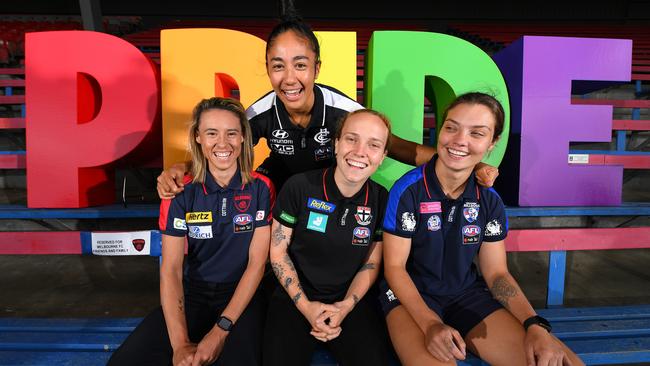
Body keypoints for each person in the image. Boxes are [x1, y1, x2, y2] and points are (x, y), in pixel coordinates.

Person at [156, 5, 498, 198]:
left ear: (316, 68)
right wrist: (178, 170)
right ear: (268, 70)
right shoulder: (258, 113)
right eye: (278, 66)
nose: (290, 78)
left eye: (300, 65)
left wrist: (465, 165)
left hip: (329, 185)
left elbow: (402, 149)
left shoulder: (343, 111)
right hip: (282, 187)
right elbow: (221, 149)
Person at [380, 92, 583, 366]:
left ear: (492, 143)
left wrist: (534, 324)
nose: (459, 140)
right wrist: (430, 324)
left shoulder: (489, 200)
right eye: (451, 127)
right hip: (410, 296)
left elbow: (497, 273)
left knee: (558, 362)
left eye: (477, 133)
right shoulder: (408, 190)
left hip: (465, 296)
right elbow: (394, 268)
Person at [108, 97, 274, 366]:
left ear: (243, 137)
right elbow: (171, 269)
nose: (223, 143)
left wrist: (220, 331)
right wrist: (180, 345)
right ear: (197, 137)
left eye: (231, 133)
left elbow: (256, 264)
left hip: (243, 298)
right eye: (211, 133)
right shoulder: (179, 191)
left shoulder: (261, 188)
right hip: (194, 294)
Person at [263, 109, 391, 365]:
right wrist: (307, 307)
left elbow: (372, 262)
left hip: (350, 300)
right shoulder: (299, 187)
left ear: (382, 156)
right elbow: (278, 252)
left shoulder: (381, 198)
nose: (359, 151)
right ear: (336, 143)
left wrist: (345, 306)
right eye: (351, 139)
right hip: (294, 296)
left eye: (373, 145)